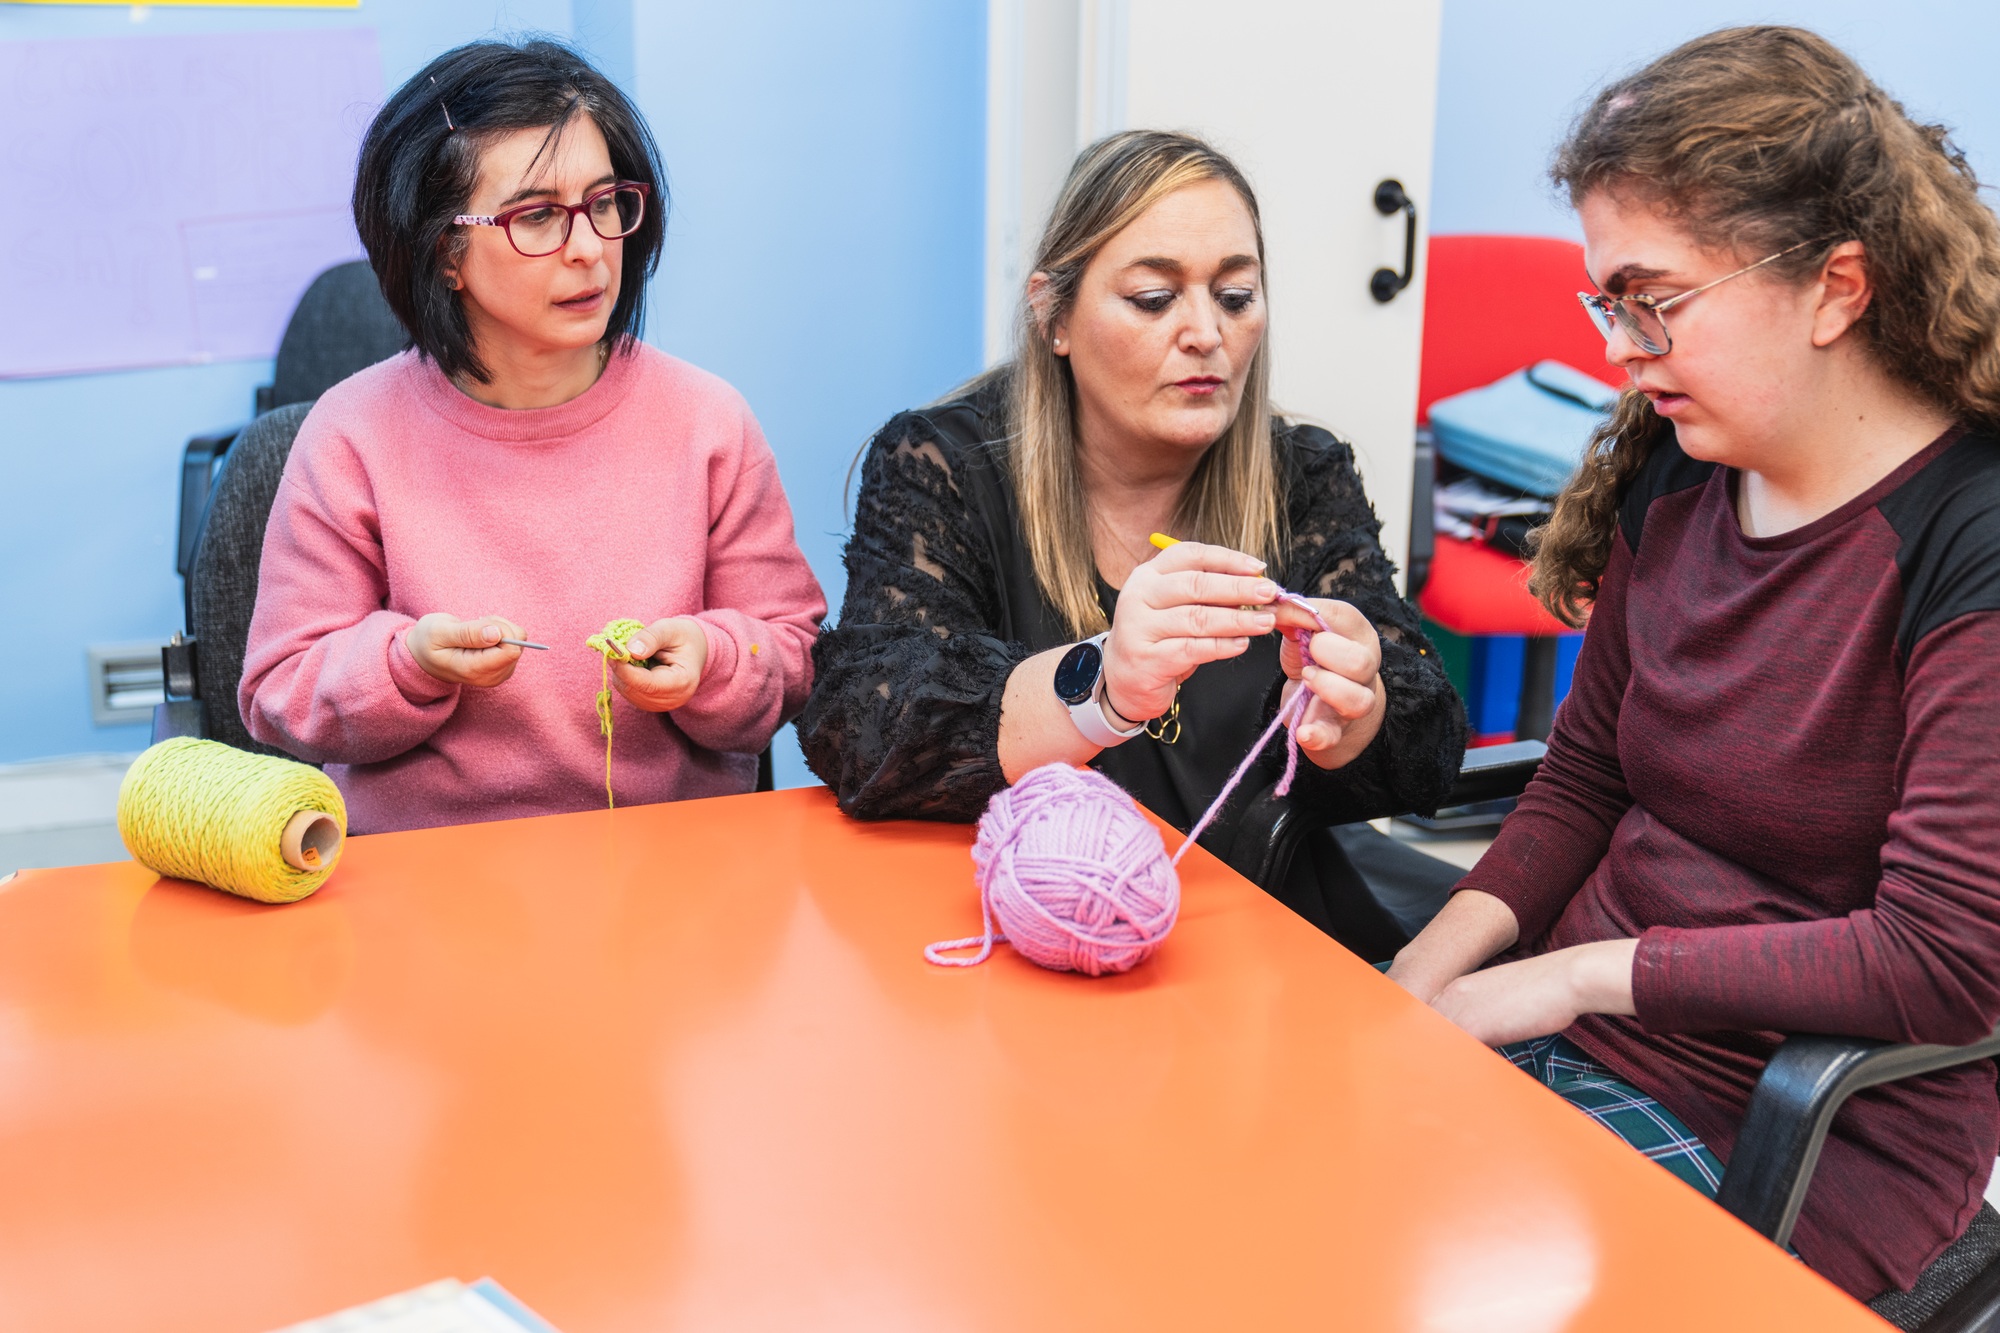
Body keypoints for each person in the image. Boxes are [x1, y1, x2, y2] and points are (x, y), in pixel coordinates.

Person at [1387, 26, 2000, 1313]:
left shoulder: (1966, 541)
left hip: (1802, 1131)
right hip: (1580, 1036)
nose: (1615, 346)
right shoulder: (1681, 477)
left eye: (1650, 299)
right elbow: (1580, 784)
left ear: (1835, 287)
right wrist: (1417, 986)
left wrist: (1560, 979)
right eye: (1604, 300)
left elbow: (1941, 957)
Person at [800, 131, 1465, 942]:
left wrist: (1361, 708)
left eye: (1236, 295)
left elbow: (1429, 743)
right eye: (1155, 299)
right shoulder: (942, 464)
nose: (1206, 334)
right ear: (1054, 316)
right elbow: (868, 727)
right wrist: (1101, 686)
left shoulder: (1304, 480)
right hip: (1015, 936)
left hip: (1259, 943)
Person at [240, 40, 824, 832]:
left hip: (674, 871)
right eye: (538, 216)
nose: (589, 247)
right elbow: (278, 692)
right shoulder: (350, 435)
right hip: (429, 879)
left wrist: (714, 660)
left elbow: (792, 654)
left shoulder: (709, 421)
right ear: (446, 251)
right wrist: (405, 665)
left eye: (605, 202)